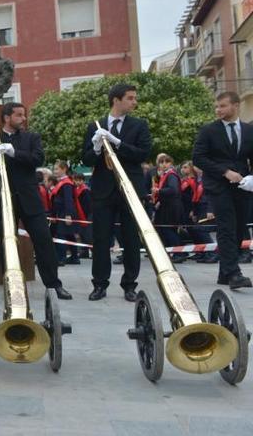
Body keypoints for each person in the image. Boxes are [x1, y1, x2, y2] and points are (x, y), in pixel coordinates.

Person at [0, 102, 72, 300]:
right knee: (7, 245)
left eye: (24, 115)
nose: (23, 119)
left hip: (30, 199)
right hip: (3, 201)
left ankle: (54, 285)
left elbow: (38, 159)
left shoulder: (31, 138)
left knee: (44, 241)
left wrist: (14, 153)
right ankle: (12, 287)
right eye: (19, 115)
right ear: (7, 117)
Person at [81, 83, 152, 302]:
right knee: (101, 239)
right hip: (103, 190)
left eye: (134, 98)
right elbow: (86, 160)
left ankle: (129, 284)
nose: (134, 102)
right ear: (116, 100)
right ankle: (99, 284)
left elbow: (143, 153)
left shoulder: (139, 125)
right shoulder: (95, 126)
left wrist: (117, 142)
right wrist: (95, 147)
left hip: (130, 188)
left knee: (131, 238)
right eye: (130, 98)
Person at [191, 91, 253, 289]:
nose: (218, 110)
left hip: (242, 186)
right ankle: (234, 273)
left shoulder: (248, 130)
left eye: (223, 106)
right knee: (226, 227)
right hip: (218, 185)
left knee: (238, 228)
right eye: (217, 106)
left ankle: (224, 273)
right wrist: (225, 171)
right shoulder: (208, 130)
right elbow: (198, 158)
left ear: (235, 106)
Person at [152, 154, 185, 263]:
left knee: (169, 230)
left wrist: (158, 191)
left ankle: (178, 253)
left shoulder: (171, 175)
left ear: (171, 163)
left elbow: (173, 190)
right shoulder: (165, 175)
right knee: (167, 230)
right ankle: (175, 252)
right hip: (167, 206)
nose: (164, 164)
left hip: (171, 207)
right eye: (161, 162)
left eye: (167, 162)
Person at [51, 160, 79, 266]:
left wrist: (68, 215)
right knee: (69, 235)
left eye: (57, 169)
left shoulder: (67, 184)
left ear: (64, 169)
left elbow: (68, 200)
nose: (55, 171)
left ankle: (61, 258)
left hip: (65, 213)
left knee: (60, 235)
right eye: (54, 169)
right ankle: (75, 257)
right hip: (61, 212)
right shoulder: (62, 182)